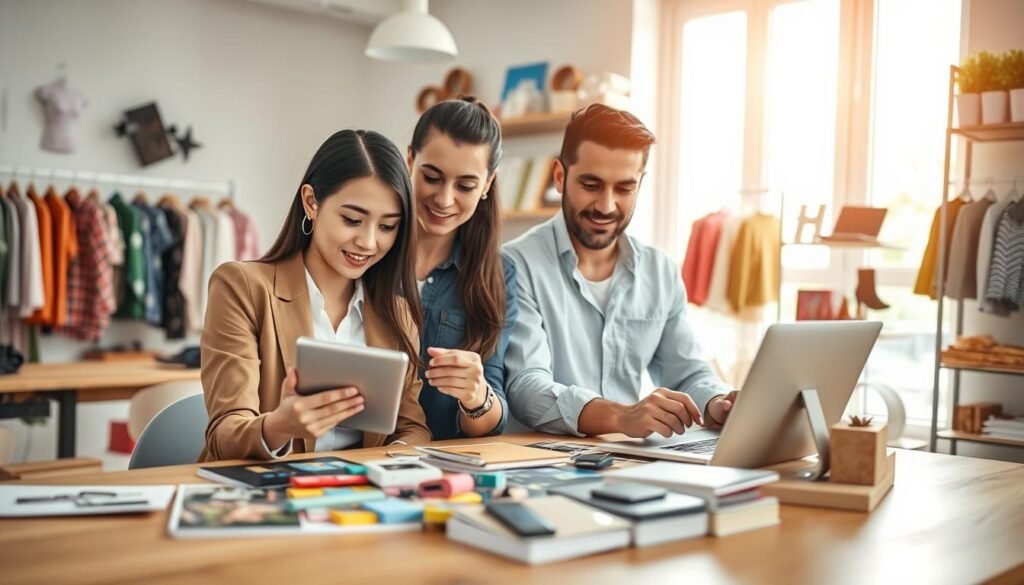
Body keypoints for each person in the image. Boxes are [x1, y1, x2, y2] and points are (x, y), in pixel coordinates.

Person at [504, 104, 738, 438]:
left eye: (625, 188)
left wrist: (719, 403)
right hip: (541, 463)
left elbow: (687, 373)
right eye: (591, 184)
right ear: (560, 177)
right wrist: (621, 416)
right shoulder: (515, 265)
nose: (606, 205)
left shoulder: (661, 272)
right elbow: (526, 387)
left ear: (640, 184)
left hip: (628, 459)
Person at [199, 129, 431, 462]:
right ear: (311, 202)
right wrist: (279, 426)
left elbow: (412, 428)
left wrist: (391, 462)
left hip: (354, 498)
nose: (368, 242)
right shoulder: (242, 287)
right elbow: (225, 434)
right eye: (352, 220)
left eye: (386, 227)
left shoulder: (397, 312)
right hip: (260, 493)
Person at [407, 97, 518, 439]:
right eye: (432, 177)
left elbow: (492, 417)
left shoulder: (498, 274)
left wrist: (476, 396)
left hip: (441, 466)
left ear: (487, 184)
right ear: (409, 159)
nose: (444, 199)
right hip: (353, 457)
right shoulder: (365, 252)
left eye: (466, 186)